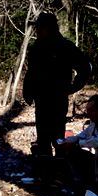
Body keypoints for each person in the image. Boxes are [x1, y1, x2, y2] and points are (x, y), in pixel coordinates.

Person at [21, 12, 92, 162]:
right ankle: (45, 167)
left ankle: (60, 167)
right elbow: (31, 72)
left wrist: (73, 87)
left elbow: (85, 67)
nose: (37, 31)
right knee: (43, 135)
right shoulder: (36, 48)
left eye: (40, 27)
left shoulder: (65, 47)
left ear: (49, 28)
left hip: (58, 98)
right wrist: (27, 91)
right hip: (41, 98)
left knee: (57, 134)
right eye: (37, 28)